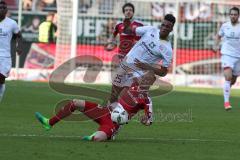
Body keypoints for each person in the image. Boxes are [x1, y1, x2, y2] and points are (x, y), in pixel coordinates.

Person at [35, 79, 153, 142]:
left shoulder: (147, 101)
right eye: (145, 77)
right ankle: (49, 123)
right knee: (76, 102)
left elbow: (149, 120)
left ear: (151, 84)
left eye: (149, 79)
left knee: (97, 138)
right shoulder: (133, 84)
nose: (145, 80)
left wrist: (145, 120)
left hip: (113, 123)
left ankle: (107, 135)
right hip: (105, 111)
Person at [109, 14, 176, 104]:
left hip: (139, 72)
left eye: (167, 27)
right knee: (114, 93)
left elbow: (163, 72)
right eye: (163, 25)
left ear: (171, 29)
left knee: (126, 97)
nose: (164, 28)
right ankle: (110, 111)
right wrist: (126, 25)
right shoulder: (150, 30)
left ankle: (126, 112)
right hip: (127, 62)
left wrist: (148, 66)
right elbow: (131, 31)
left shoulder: (167, 49)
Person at [214, 7, 240, 110]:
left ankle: (227, 90)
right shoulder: (225, 26)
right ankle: (226, 103)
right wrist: (215, 45)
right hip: (227, 55)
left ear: (238, 16)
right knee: (228, 77)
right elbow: (218, 36)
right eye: (231, 14)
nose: (233, 16)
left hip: (238, 56)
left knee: (232, 80)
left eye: (235, 14)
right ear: (229, 15)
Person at [0, 1, 22, 102]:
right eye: (0, 7)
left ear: (6, 10)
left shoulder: (12, 23)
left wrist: (19, 46)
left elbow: (18, 35)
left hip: (5, 57)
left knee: (1, 79)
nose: (1, 9)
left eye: (3, 8)